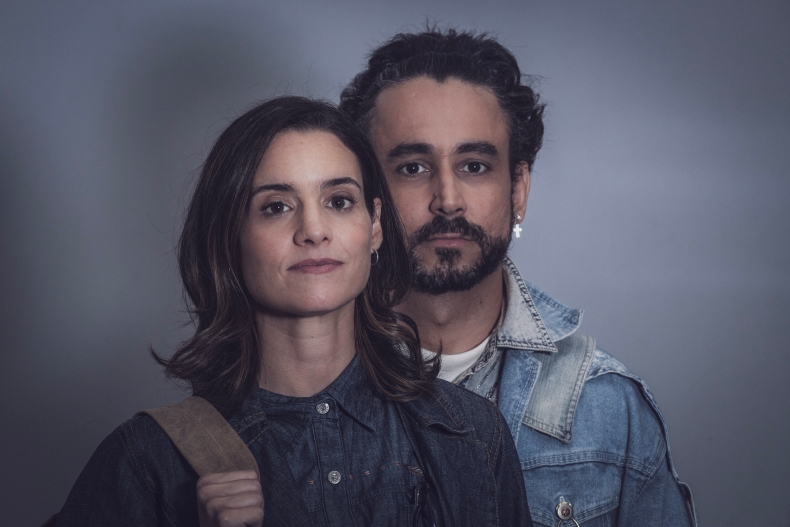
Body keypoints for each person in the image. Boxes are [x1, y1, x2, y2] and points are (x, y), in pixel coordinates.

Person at [55, 97, 532, 526]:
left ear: (375, 226)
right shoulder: (147, 460)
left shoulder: (472, 434)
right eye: (277, 207)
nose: (314, 230)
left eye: (339, 201)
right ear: (229, 239)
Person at [340, 28, 699, 526]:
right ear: (366, 194)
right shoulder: (300, 383)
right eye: (413, 167)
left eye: (474, 166)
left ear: (518, 190)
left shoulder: (607, 406)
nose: (448, 200)